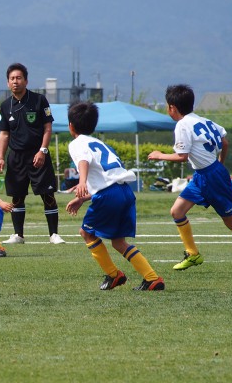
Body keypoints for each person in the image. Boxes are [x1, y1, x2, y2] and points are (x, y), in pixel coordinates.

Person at [65, 102, 164, 291]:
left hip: (109, 195)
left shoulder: (77, 143)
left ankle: (113, 275)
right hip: (125, 192)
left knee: (86, 233)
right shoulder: (101, 144)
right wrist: (83, 197)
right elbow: (108, 178)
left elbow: (83, 160)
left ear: (71, 126)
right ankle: (152, 278)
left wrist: (82, 182)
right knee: (119, 242)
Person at [147, 84, 232, 270]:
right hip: (203, 174)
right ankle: (193, 254)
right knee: (177, 211)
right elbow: (224, 142)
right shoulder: (204, 120)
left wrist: (159, 155)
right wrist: (220, 163)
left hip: (211, 176)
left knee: (230, 220)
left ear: (172, 107)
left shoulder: (182, 125)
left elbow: (182, 157)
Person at [0, 62, 65, 245]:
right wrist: (1, 157)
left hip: (37, 155)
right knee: (17, 196)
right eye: (12, 79)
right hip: (16, 157)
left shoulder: (39, 100)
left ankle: (54, 234)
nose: (15, 81)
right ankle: (18, 235)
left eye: (18, 78)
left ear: (26, 81)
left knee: (47, 194)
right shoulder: (5, 106)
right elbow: (4, 134)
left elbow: (47, 128)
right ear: (8, 83)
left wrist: (43, 150)